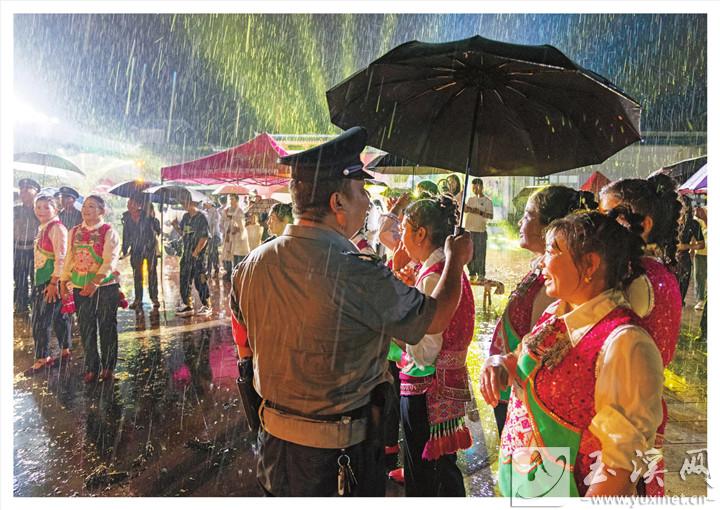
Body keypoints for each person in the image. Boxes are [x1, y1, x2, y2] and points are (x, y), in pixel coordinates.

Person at [231, 126, 473, 497]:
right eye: (361, 192)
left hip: (273, 450)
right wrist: (456, 261)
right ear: (337, 204)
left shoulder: (251, 265)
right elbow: (436, 317)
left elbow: (246, 344)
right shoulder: (357, 271)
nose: (367, 202)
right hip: (340, 458)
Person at [481, 211, 664, 497]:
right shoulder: (556, 313)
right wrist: (499, 365)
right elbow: (520, 361)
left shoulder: (625, 343)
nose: (542, 261)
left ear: (589, 263)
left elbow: (620, 467)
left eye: (552, 251)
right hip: (527, 484)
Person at [599, 174, 683, 496]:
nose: (601, 225)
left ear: (643, 224)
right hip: (648, 408)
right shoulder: (661, 273)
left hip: (623, 417)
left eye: (610, 216)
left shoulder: (634, 280)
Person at [489, 186, 596, 434]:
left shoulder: (557, 288)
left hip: (534, 412)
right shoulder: (543, 273)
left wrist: (504, 364)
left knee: (537, 469)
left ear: (549, 228)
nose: (520, 221)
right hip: (512, 392)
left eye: (527, 215)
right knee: (518, 467)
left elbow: (541, 353)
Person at [394, 195, 475, 496]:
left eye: (403, 228)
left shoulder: (433, 278)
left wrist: (391, 328)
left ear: (421, 233)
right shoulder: (450, 270)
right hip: (446, 384)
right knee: (443, 468)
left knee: (426, 474)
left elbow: (424, 352)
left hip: (427, 389)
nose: (400, 238)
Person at [60, 195, 121, 383]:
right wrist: (63, 281)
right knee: (86, 327)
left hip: (105, 287)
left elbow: (110, 260)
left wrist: (95, 282)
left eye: (92, 206)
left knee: (106, 326)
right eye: (85, 206)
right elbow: (69, 257)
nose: (86, 210)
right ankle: (91, 367)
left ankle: (109, 366)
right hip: (80, 286)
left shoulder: (109, 231)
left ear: (102, 211)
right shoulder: (74, 231)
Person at [25, 194, 71, 375]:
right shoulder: (43, 227)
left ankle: (42, 358)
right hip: (44, 278)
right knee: (59, 316)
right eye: (38, 207)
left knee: (40, 319)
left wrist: (54, 282)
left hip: (50, 280)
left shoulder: (57, 229)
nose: (41, 211)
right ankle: (65, 350)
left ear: (56, 209)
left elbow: (62, 257)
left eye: (46, 207)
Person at [172, 198, 212, 317]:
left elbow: (204, 237)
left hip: (198, 255)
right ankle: (187, 304)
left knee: (199, 279)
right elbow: (184, 234)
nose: (183, 205)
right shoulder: (185, 217)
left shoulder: (201, 218)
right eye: (183, 203)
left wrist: (196, 252)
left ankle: (206, 304)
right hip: (186, 253)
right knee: (184, 278)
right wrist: (175, 226)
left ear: (193, 203)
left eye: (185, 202)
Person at [121, 194, 161, 310]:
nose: (129, 205)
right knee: (137, 275)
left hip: (150, 249)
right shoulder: (127, 218)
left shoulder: (148, 216)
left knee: (152, 274)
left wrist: (153, 219)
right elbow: (126, 235)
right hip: (136, 250)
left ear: (139, 205)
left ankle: (155, 298)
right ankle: (138, 300)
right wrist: (125, 249)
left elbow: (157, 230)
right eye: (128, 203)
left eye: (132, 203)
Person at [14, 178, 41, 313]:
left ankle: (36, 306)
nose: (23, 192)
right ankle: (21, 306)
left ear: (36, 192)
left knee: (36, 279)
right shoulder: (15, 210)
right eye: (21, 190)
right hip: (17, 249)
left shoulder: (41, 210)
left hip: (35, 251)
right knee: (19, 279)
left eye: (27, 189)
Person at [463, 177, 494, 282]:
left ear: (482, 187)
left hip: (480, 231)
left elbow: (490, 216)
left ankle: (481, 274)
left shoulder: (487, 201)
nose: (475, 189)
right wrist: (466, 208)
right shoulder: (470, 199)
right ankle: (471, 273)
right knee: (469, 253)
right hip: (469, 230)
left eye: (477, 187)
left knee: (480, 253)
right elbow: (465, 210)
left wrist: (479, 212)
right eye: (473, 187)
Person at [676, 196, 704, 306]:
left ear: (687, 207)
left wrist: (687, 246)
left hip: (683, 261)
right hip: (668, 260)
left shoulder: (694, 224)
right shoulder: (670, 221)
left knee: (680, 295)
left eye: (680, 204)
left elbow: (701, 244)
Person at [220, 194, 249, 281]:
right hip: (228, 236)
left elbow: (242, 224)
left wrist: (238, 228)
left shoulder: (240, 211)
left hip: (237, 237)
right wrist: (226, 228)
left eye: (232, 199)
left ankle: (237, 273)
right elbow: (221, 222)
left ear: (236, 200)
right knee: (227, 254)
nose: (230, 201)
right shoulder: (226, 210)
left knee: (237, 255)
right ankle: (228, 273)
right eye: (230, 199)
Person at [203, 200, 223, 278]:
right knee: (213, 253)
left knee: (212, 252)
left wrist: (211, 235)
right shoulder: (205, 212)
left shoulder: (215, 212)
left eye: (206, 203)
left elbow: (214, 225)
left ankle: (210, 269)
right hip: (207, 235)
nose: (204, 204)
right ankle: (215, 268)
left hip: (214, 235)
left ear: (210, 204)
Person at [693, 205, 707, 311]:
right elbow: (694, 234)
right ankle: (700, 300)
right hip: (701, 252)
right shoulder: (698, 214)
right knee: (699, 276)